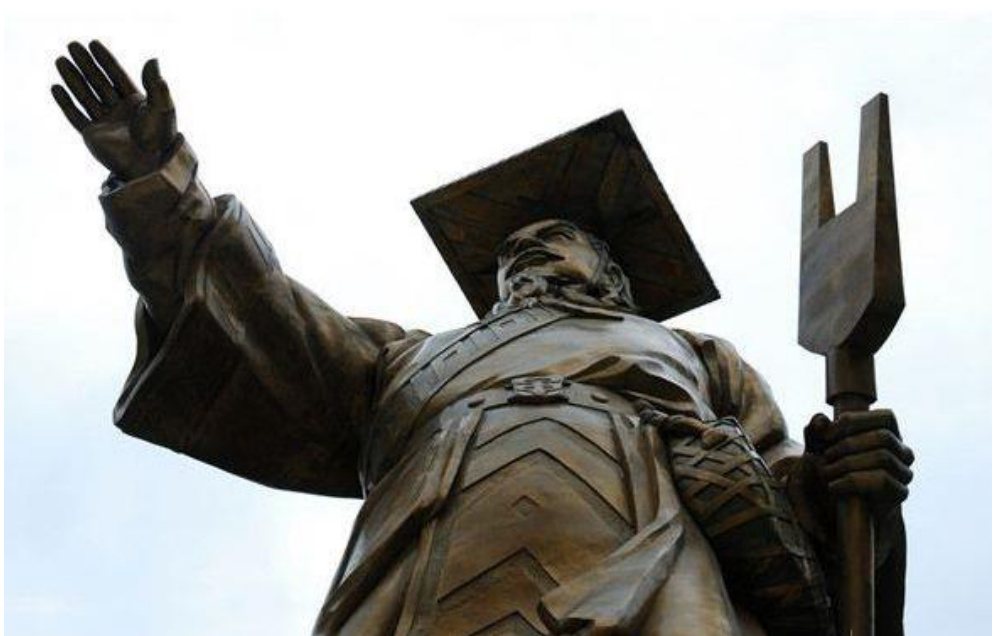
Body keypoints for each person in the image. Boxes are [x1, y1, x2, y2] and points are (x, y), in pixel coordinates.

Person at [51, 40, 915, 635]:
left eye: (552, 240)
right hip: (429, 556)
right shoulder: (404, 360)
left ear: (613, 279)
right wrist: (162, 184)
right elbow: (266, 315)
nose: (523, 256)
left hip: (646, 555)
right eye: (509, 256)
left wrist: (848, 485)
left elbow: (784, 497)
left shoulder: (695, 358)